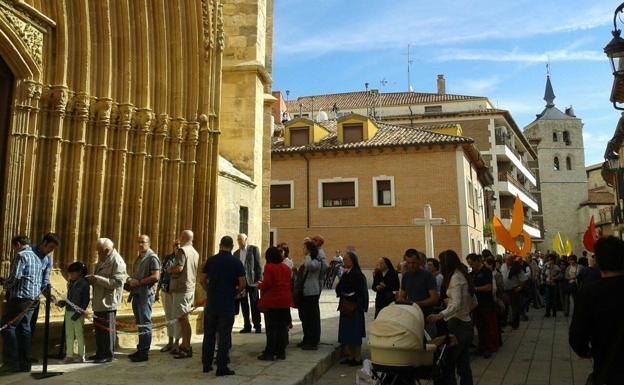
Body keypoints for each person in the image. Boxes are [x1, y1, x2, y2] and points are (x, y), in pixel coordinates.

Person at [570, 236, 624, 385]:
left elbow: (577, 337)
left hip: (607, 369)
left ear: (598, 262)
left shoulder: (589, 293)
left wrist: (587, 352)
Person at [427, 250, 477, 385]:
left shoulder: (455, 278)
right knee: (464, 365)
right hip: (466, 322)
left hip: (457, 324)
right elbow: (473, 302)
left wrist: (440, 315)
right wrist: (464, 309)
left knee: (449, 364)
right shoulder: (463, 275)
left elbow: (456, 304)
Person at [201, 236, 246, 376]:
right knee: (224, 335)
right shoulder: (236, 262)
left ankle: (206, 364)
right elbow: (242, 283)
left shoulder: (211, 260)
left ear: (220, 245)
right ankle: (221, 367)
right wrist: (235, 292)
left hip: (212, 303)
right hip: (227, 303)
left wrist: (209, 290)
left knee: (209, 334)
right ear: (232, 246)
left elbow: (202, 280)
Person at [0, 236, 42, 373]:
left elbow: (15, 277)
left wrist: (5, 285)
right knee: (24, 329)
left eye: (14, 247)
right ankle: (25, 363)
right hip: (33, 299)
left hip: (20, 297)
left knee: (7, 326)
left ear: (18, 244)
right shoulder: (36, 257)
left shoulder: (21, 255)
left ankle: (11, 363)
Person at [88, 238, 127, 363]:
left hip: (108, 301)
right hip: (99, 300)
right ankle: (100, 352)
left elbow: (118, 282)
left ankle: (108, 354)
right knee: (99, 328)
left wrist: (98, 279)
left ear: (106, 250)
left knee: (107, 330)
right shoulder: (103, 260)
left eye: (99, 252)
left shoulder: (117, 261)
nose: (98, 254)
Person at [125, 235, 160, 362]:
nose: (140, 244)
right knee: (140, 323)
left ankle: (144, 352)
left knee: (145, 322)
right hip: (136, 294)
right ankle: (141, 349)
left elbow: (156, 276)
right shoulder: (139, 258)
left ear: (149, 243)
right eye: (138, 242)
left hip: (145, 295)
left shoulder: (152, 258)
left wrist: (139, 282)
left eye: (143, 242)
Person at [256, 247, 294, 361]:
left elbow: (267, 284)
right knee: (282, 327)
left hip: (273, 301)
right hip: (285, 301)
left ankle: (270, 352)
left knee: (271, 328)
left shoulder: (269, 267)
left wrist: (259, 285)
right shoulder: (287, 268)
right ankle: (281, 352)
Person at [168, 230, 199, 359]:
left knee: (183, 319)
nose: (179, 238)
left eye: (180, 236)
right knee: (184, 318)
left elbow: (179, 268)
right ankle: (184, 345)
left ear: (184, 237)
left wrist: (169, 269)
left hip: (181, 288)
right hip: (190, 287)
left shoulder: (182, 251)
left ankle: (186, 347)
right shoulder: (195, 252)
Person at [29, 232, 61, 352]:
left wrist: (50, 297)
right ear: (44, 243)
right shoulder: (29, 252)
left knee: (30, 328)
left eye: (53, 249)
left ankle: (26, 355)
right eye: (51, 247)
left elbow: (45, 281)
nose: (51, 251)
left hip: (35, 298)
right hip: (22, 297)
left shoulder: (48, 260)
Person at [335, 252, 369, 366]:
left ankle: (357, 357)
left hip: (355, 307)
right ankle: (351, 356)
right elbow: (339, 287)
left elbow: (362, 292)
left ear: (352, 260)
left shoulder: (358, 274)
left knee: (355, 333)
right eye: (343, 259)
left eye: (346, 259)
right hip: (346, 306)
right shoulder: (346, 274)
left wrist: (357, 303)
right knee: (347, 333)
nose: (344, 261)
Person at [466, 253, 499, 358]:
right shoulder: (473, 273)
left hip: (486, 304)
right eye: (469, 264)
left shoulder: (486, 272)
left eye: (471, 264)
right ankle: (481, 346)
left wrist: (475, 289)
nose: (471, 266)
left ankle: (489, 348)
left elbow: (488, 287)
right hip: (476, 304)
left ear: (477, 261)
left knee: (488, 326)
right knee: (480, 327)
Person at [57, 262, 89, 363]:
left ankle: (81, 355)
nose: (70, 276)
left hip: (77, 313)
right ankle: (69, 354)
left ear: (79, 272)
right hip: (69, 311)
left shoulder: (84, 283)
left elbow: (85, 300)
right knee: (69, 334)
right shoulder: (71, 283)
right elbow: (69, 298)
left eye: (72, 273)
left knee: (79, 334)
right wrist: (63, 303)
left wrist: (79, 312)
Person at [296, 240, 323, 350]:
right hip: (305, 292)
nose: (303, 250)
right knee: (305, 317)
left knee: (312, 318)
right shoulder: (307, 259)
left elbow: (309, 266)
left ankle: (313, 341)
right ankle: (307, 338)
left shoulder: (316, 261)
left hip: (312, 292)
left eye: (305, 248)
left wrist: (308, 255)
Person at [234, 233, 263, 334]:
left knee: (255, 303)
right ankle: (247, 325)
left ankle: (257, 325)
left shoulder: (253, 249)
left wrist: (259, 280)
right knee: (244, 304)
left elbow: (259, 265)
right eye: (238, 240)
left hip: (252, 282)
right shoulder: (236, 253)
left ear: (246, 240)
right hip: (242, 283)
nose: (239, 242)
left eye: (240, 240)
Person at [155, 241, 180, 353]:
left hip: (176, 291)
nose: (178, 248)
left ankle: (176, 342)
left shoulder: (183, 259)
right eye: (176, 246)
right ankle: (170, 342)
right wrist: (157, 290)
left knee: (177, 317)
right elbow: (161, 274)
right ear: (173, 247)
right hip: (166, 289)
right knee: (168, 316)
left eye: (180, 246)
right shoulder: (168, 258)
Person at [398, 249, 439, 318]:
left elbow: (434, 299)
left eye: (413, 263)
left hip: (427, 316)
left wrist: (415, 304)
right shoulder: (406, 275)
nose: (411, 265)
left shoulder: (428, 275)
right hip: (411, 314)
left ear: (419, 261)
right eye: (408, 263)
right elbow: (402, 295)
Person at [499, 255, 527, 329]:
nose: (507, 262)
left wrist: (519, 287)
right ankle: (506, 321)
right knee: (505, 307)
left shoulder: (517, 268)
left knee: (515, 307)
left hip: (513, 290)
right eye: (506, 260)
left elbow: (523, 279)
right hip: (505, 290)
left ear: (512, 260)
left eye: (508, 260)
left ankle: (515, 323)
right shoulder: (503, 266)